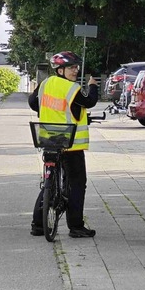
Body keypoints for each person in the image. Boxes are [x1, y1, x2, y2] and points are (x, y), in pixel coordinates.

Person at [29, 51, 100, 238]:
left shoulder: (45, 84)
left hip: (48, 139)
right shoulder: (72, 88)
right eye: (71, 67)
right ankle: (76, 226)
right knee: (77, 184)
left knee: (48, 184)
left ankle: (38, 225)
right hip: (71, 144)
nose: (75, 71)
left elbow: (32, 102)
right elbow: (89, 102)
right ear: (60, 70)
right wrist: (93, 86)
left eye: (76, 67)